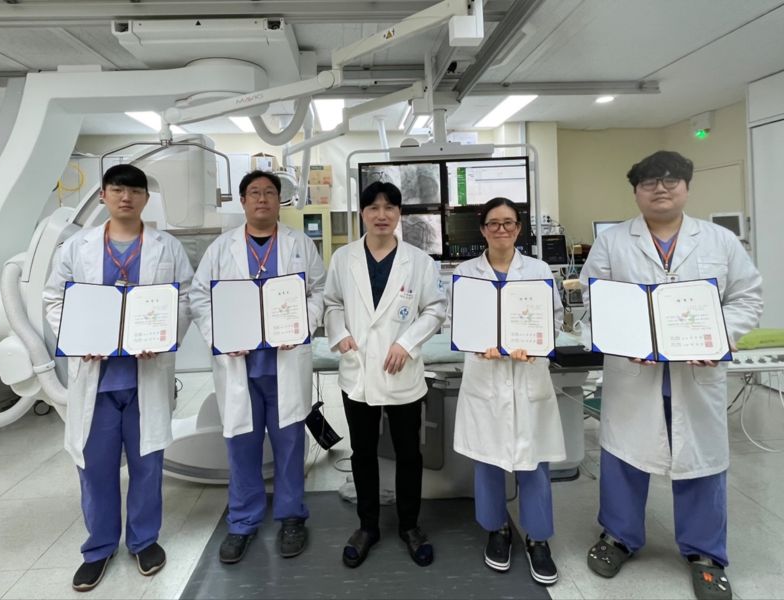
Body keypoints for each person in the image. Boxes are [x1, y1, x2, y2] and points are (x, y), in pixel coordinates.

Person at [579, 151, 763, 600]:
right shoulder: (613, 243)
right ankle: (618, 537)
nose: (660, 189)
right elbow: (593, 299)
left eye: (671, 181)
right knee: (624, 457)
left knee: (700, 461)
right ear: (636, 192)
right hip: (633, 373)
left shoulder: (719, 241)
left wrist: (717, 338)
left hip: (695, 374)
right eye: (649, 183)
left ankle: (706, 554)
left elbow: (747, 298)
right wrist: (624, 340)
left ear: (687, 187)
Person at [43, 164, 193, 592]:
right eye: (117, 189)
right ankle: (99, 547)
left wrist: (164, 336)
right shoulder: (77, 248)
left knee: (147, 465)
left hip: (145, 374)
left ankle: (144, 541)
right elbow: (54, 299)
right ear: (104, 195)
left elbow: (184, 298)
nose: (126, 197)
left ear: (146, 198)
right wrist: (77, 338)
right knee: (95, 468)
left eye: (134, 190)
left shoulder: (167, 247)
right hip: (97, 379)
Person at [189, 170, 325, 564]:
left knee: (289, 445)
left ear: (279, 200)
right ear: (243, 201)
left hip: (284, 362)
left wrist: (301, 324)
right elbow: (199, 297)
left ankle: (291, 517)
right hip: (239, 365)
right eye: (254, 193)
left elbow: (318, 290)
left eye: (269, 192)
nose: (262, 199)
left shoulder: (300, 244)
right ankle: (242, 522)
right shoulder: (221, 248)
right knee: (242, 446)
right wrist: (220, 335)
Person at [323, 181, 447, 568]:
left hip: (401, 372)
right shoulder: (344, 258)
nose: (381, 215)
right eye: (373, 207)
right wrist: (339, 334)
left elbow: (435, 308)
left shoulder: (418, 261)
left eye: (389, 207)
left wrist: (406, 343)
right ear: (362, 213)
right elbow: (332, 303)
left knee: (409, 453)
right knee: (363, 453)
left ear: (399, 214)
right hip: (358, 371)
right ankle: (368, 526)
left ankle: (410, 526)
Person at [451, 197, 565, 585]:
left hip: (527, 374)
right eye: (494, 223)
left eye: (509, 223)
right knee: (488, 460)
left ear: (519, 228)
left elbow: (553, 319)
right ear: (483, 229)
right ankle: (496, 529)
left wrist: (535, 344)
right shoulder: (466, 272)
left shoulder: (538, 270)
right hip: (486, 376)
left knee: (534, 462)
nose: (502, 229)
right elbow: (456, 319)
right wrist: (475, 343)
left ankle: (538, 538)